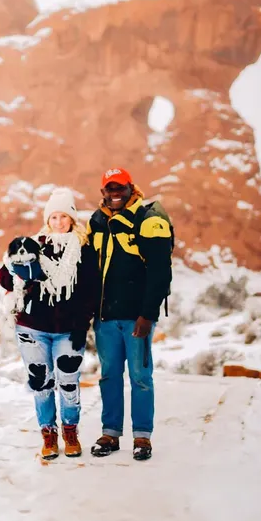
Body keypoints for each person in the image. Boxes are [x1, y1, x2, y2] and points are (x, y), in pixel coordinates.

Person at [0, 187, 99, 460]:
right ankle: (48, 435)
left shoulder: (83, 251)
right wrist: (16, 264)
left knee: (68, 382)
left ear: (72, 219)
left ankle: (70, 431)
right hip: (32, 327)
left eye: (63, 217)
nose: (58, 222)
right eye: (53, 217)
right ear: (47, 219)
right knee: (40, 382)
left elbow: (91, 292)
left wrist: (82, 326)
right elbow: (6, 279)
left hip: (68, 329)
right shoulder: (33, 245)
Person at [87, 167, 173, 461]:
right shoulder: (96, 222)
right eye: (109, 188)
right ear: (103, 192)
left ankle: (142, 437)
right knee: (109, 376)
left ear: (130, 188)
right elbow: (88, 270)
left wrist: (147, 315)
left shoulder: (147, 219)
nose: (115, 193)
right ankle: (110, 433)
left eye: (120, 187)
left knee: (140, 376)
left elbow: (161, 272)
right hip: (105, 318)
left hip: (137, 317)